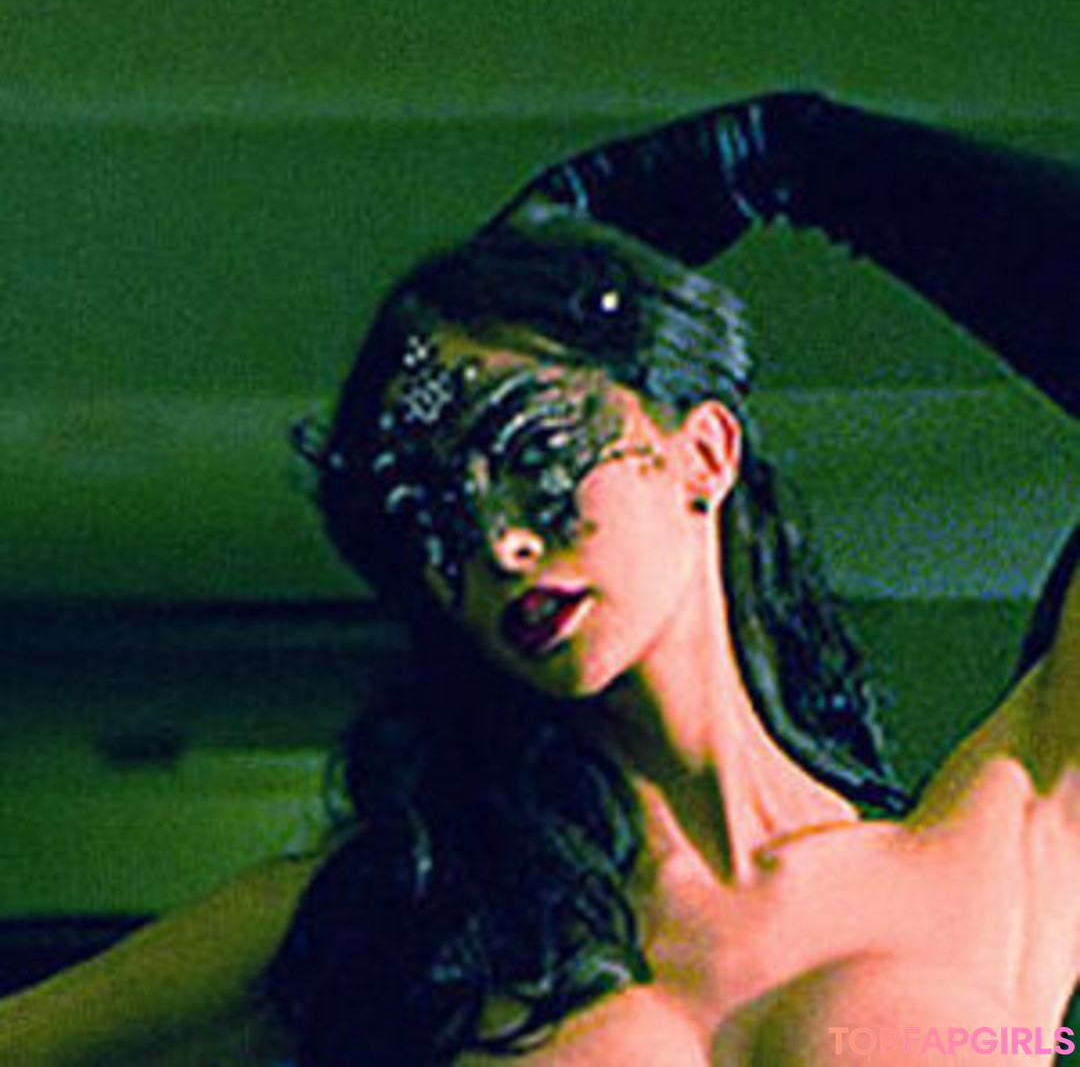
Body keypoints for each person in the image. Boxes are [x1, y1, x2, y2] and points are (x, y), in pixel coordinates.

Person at [0, 91, 1075, 1066]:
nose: (500, 546)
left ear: (704, 452)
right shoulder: (389, 921)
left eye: (532, 451)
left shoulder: (1006, 837)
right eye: (437, 512)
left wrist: (797, 156)